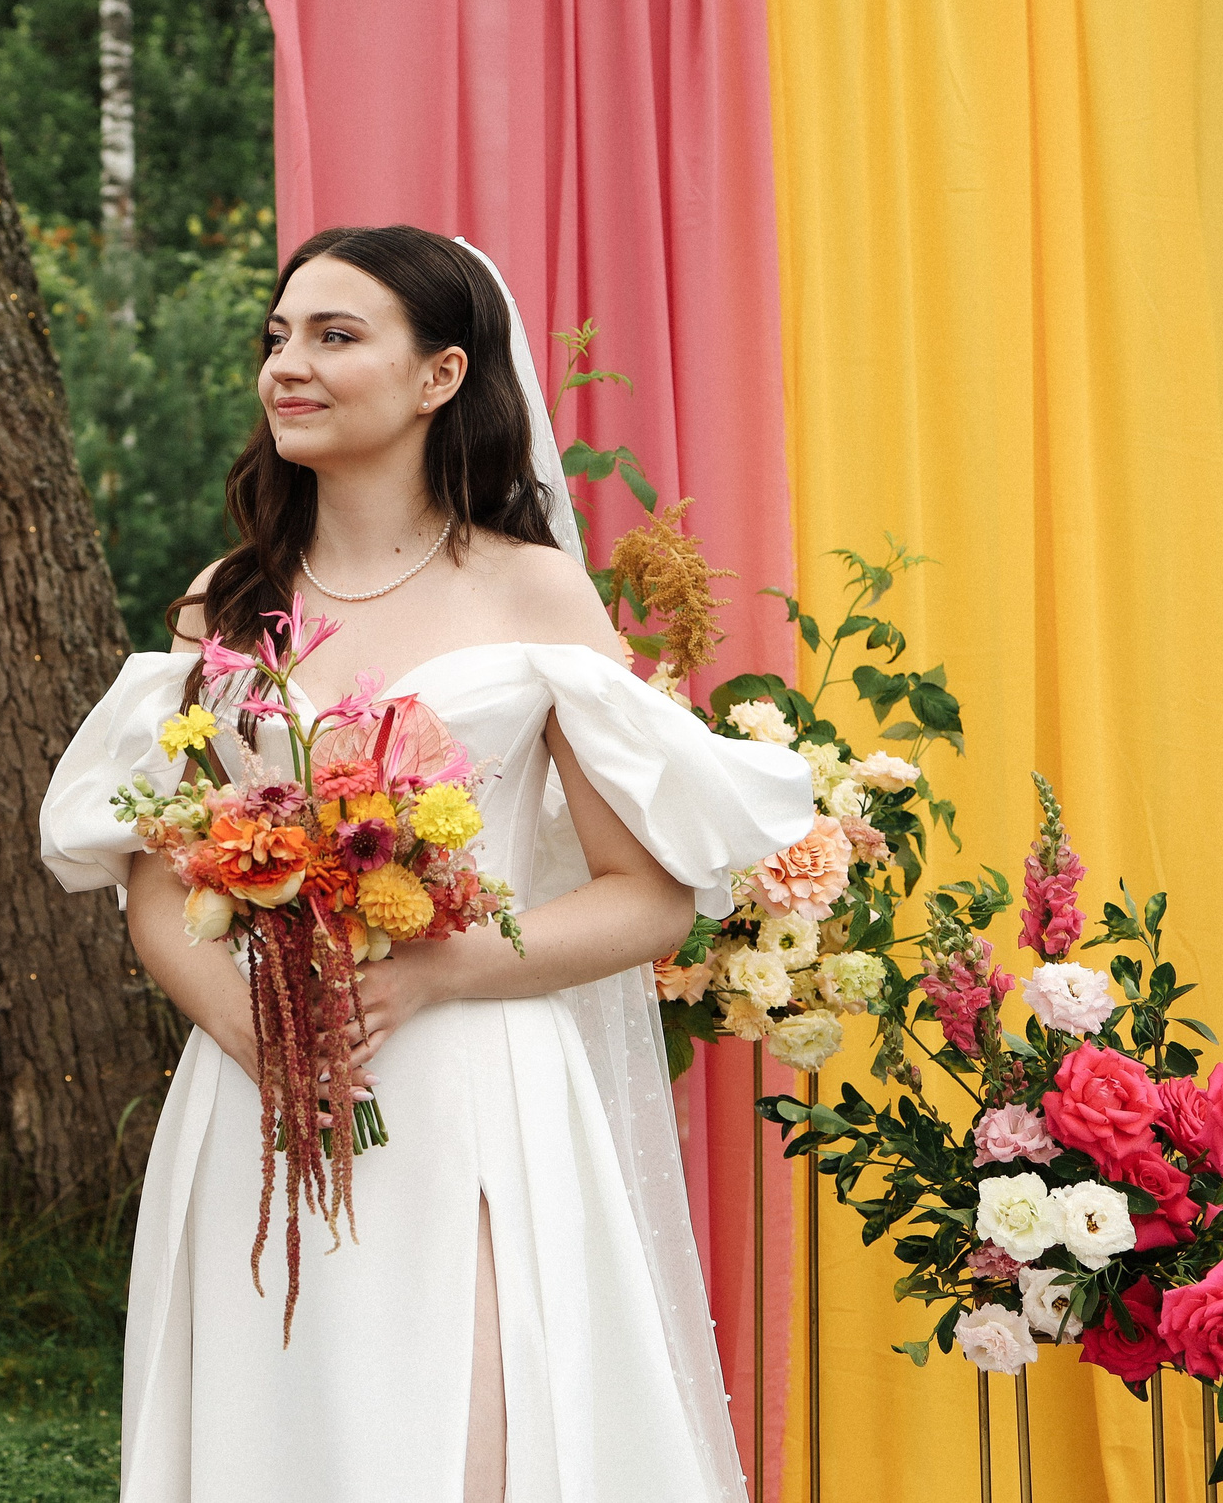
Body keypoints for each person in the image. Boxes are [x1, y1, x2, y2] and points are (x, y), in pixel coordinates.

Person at [40, 226, 816, 1501]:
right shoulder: (222, 603)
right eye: (278, 337)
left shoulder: (534, 596)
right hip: (257, 1090)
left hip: (475, 1088)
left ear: (441, 376)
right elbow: (155, 882)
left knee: (469, 1452)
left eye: (334, 337)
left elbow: (650, 902)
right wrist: (257, 1033)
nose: (288, 365)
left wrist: (434, 975)